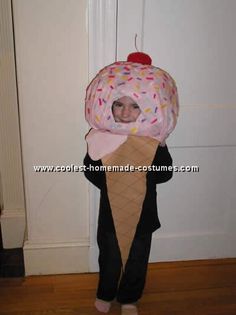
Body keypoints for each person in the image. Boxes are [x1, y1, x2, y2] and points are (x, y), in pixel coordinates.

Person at [83, 52, 179, 315]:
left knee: (137, 258)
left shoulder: (151, 143)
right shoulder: (101, 139)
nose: (125, 112)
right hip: (110, 216)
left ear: (148, 110)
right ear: (108, 106)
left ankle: (130, 297)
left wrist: (159, 148)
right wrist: (109, 166)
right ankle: (106, 291)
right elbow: (91, 174)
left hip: (144, 217)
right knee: (110, 256)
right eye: (119, 104)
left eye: (135, 106)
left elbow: (164, 174)